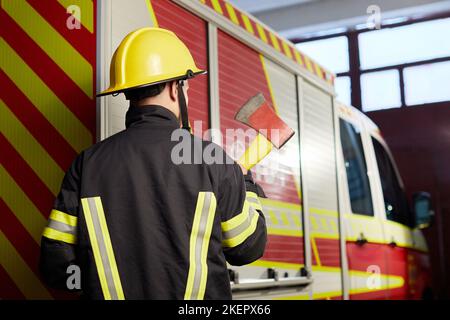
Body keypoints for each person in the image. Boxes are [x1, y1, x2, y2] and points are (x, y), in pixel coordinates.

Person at [39, 27, 267, 300]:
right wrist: (245, 182)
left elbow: (56, 267)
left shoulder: (86, 164)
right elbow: (247, 248)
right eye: (187, 86)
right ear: (175, 88)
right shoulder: (211, 160)